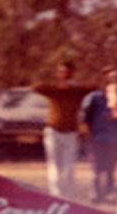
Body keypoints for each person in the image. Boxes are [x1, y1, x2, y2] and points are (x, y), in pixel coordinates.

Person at [33, 61, 94, 199]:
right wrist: (56, 85)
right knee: (54, 165)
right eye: (61, 72)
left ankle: (68, 196)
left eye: (67, 73)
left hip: (70, 132)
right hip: (54, 130)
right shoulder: (54, 90)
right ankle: (56, 194)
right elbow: (36, 87)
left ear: (72, 74)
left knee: (69, 166)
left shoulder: (76, 91)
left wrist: (73, 85)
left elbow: (93, 87)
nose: (64, 75)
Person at [80, 68, 117, 204]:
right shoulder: (95, 97)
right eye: (111, 79)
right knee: (97, 167)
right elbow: (85, 118)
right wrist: (87, 134)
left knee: (111, 168)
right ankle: (96, 192)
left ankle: (110, 192)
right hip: (97, 137)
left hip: (114, 138)